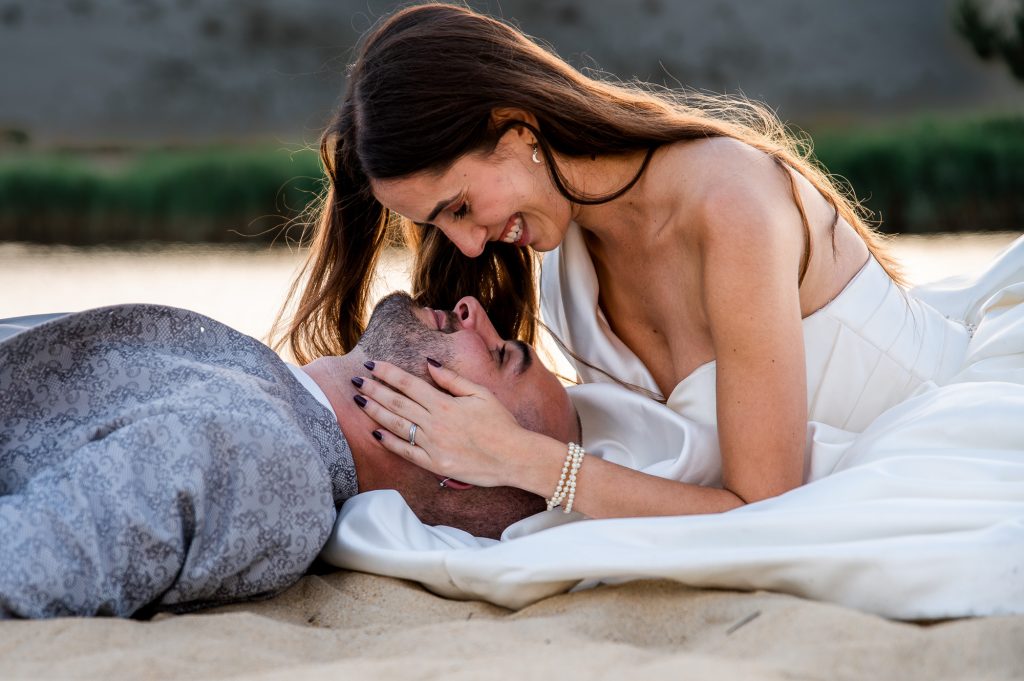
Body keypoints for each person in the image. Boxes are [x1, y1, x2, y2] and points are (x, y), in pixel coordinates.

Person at [278, 3, 1024, 519]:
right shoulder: (563, 256)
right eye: (443, 225)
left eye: (460, 207)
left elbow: (763, 505)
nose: (468, 245)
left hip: (945, 440)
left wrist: (522, 460)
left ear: (513, 128)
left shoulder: (725, 203)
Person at [0, 292, 578, 619]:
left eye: (501, 356)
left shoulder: (273, 464)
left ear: (462, 460)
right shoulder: (270, 408)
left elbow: (27, 565)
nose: (474, 309)